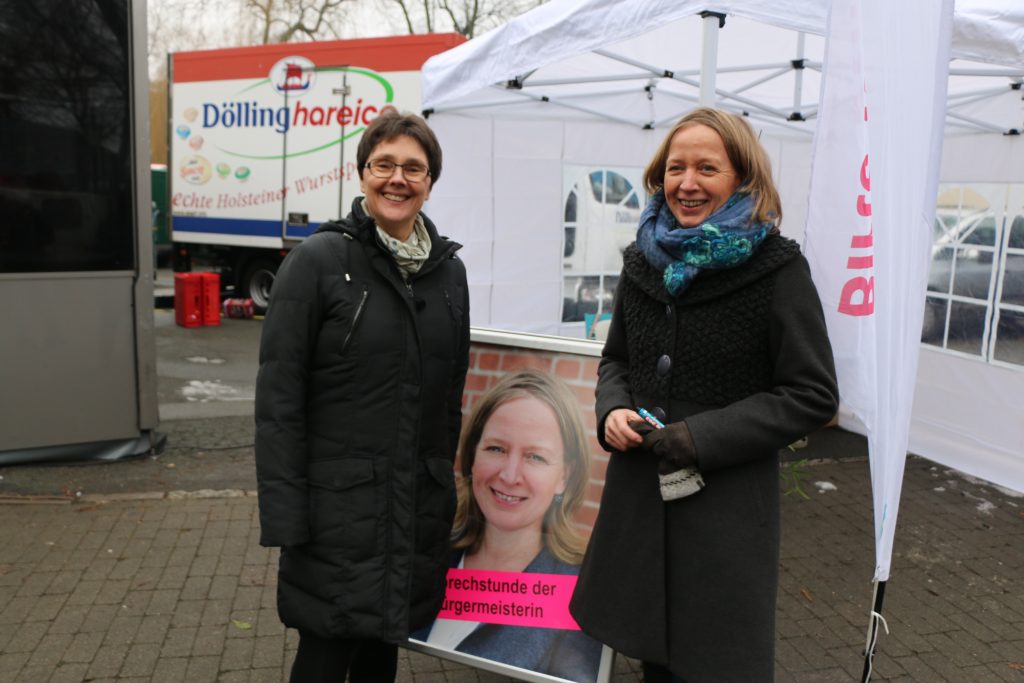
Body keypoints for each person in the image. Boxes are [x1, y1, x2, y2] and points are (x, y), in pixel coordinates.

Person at [568, 107, 839, 682]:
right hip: (641, 501)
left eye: (707, 169)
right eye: (676, 168)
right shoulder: (643, 261)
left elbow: (812, 393)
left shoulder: (778, 270)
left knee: (713, 663)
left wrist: (700, 436)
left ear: (742, 177)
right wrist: (612, 408)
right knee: (654, 660)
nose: (687, 184)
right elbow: (617, 359)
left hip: (724, 515)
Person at [254, 111, 470, 683]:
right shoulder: (318, 262)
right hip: (336, 512)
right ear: (362, 174)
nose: (398, 179)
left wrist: (440, 486)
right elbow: (278, 401)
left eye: (414, 168)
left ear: (430, 182)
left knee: (380, 653)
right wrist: (285, 515)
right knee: (325, 656)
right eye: (384, 165)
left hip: (412, 508)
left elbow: (449, 396)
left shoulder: (448, 273)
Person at [416, 369, 603, 683]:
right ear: (472, 456)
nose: (509, 475)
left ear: (564, 477)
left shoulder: (583, 593)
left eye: (535, 457)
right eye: (496, 449)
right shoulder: (427, 550)